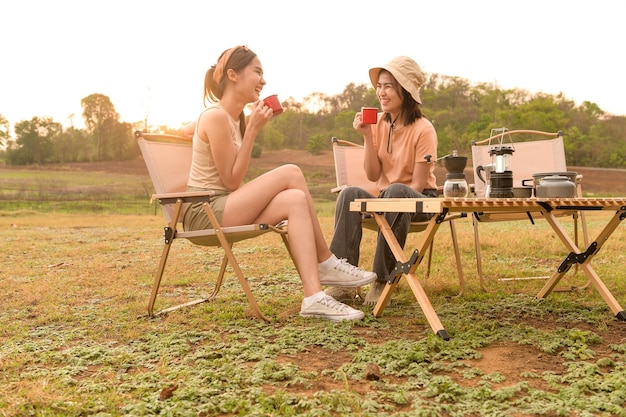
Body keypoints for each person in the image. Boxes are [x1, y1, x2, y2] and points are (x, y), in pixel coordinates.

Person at [182, 45, 376, 322]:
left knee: (295, 199)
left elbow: (189, 131)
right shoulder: (216, 117)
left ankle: (314, 297)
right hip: (204, 213)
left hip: (222, 207)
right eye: (257, 72)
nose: (263, 80)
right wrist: (252, 131)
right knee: (291, 173)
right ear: (233, 75)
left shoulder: (226, 117)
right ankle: (326, 262)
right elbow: (231, 180)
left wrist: (192, 132)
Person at [327, 56, 438, 306]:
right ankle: (342, 281)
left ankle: (382, 280)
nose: (381, 92)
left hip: (420, 202)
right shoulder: (377, 122)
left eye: (387, 86)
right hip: (385, 198)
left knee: (396, 191)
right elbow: (373, 175)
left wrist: (390, 195)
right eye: (379, 86)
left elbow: (417, 186)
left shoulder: (424, 129)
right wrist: (367, 136)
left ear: (405, 90)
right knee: (348, 193)